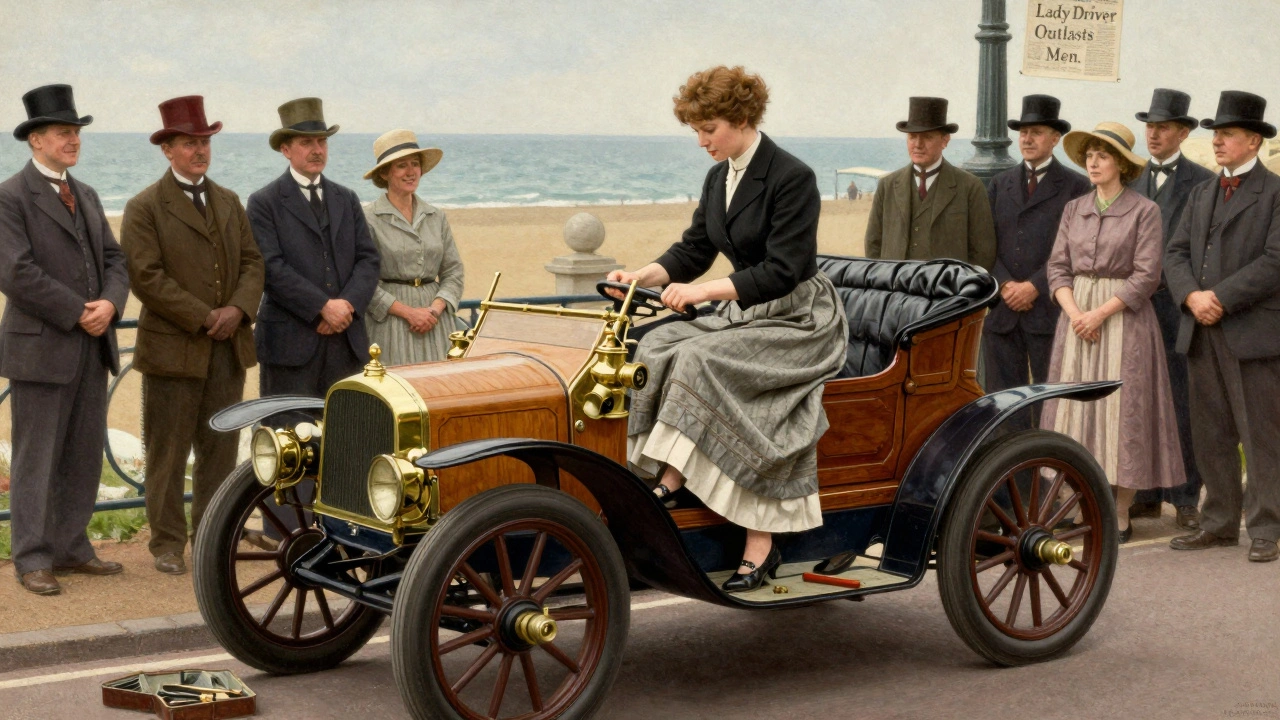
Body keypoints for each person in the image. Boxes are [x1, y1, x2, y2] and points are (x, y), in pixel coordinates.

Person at [606, 66, 848, 593]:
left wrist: (702, 292)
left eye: (708, 128)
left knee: (699, 359)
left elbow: (784, 269)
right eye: (695, 130)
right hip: (746, 311)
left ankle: (757, 539)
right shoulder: (721, 175)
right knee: (656, 342)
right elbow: (695, 247)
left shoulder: (792, 177)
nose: (700, 141)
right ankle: (665, 473)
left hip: (799, 319)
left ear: (740, 119)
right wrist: (644, 274)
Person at [120, 96, 264, 575]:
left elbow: (251, 262)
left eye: (203, 141)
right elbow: (146, 276)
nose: (199, 150)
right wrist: (205, 316)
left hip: (227, 348)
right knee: (167, 451)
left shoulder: (227, 200)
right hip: (173, 349)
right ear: (168, 150)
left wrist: (238, 309)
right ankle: (165, 544)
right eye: (188, 143)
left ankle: (211, 536)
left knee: (219, 451)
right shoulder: (143, 207)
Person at [0, 85, 129, 595]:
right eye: (62, 133)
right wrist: (79, 311)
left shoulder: (89, 194)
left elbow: (115, 261)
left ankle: (72, 547)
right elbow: (14, 272)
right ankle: (32, 557)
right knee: (36, 455)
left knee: (80, 451)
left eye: (76, 132)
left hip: (90, 344)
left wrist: (111, 305)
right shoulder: (10, 196)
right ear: (36, 140)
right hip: (41, 346)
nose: (73, 140)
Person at [1039, 122, 1185, 543]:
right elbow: (1057, 267)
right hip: (1076, 320)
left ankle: (1119, 512)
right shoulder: (1075, 208)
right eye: (1089, 155)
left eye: (1102, 155)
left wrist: (1099, 313)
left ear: (1121, 164)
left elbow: (1146, 276)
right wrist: (1074, 312)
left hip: (1123, 322)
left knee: (1123, 415)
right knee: (1074, 413)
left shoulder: (1144, 211)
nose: (1093, 162)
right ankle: (1076, 504)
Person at [1165, 91, 1280, 563]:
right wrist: (1192, 296)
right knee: (1210, 432)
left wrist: (1220, 298)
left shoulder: (1275, 193)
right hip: (1201, 329)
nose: (1218, 142)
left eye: (1228, 134)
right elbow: (1174, 254)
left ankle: (1267, 527)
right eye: (1216, 134)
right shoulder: (1201, 193)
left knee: (1261, 434)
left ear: (1253, 140)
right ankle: (1218, 524)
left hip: (1251, 332)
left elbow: (1276, 260)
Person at [247, 97, 380, 404]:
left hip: (347, 343)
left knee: (347, 436)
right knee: (291, 441)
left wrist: (346, 305)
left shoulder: (346, 198)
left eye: (322, 142)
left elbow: (368, 259)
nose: (317, 150)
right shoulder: (263, 202)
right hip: (290, 347)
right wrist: (322, 306)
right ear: (286, 149)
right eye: (306, 142)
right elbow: (271, 267)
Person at [1126, 89, 1216, 530]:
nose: (1154, 134)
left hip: (1179, 308)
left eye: (1164, 127)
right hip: (1137, 310)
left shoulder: (1203, 182)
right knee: (1139, 399)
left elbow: (1204, 248)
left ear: (1183, 132)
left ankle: (1184, 496)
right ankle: (1144, 493)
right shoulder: (1131, 180)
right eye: (1150, 126)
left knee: (1183, 402)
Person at [983, 95, 1091, 433]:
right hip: (1002, 313)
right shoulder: (1000, 184)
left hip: (1048, 310)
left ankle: (1045, 480)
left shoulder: (1076, 185)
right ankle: (1006, 485)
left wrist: (1034, 286)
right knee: (1002, 405)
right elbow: (985, 246)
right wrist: (1004, 284)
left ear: (1055, 138)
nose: (1027, 139)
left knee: (1051, 404)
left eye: (1037, 132)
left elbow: (1077, 249)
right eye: (1023, 132)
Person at [361, 129, 463, 364]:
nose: (410, 172)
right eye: (401, 166)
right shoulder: (368, 218)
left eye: (415, 164)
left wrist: (434, 310)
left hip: (436, 321)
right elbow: (362, 281)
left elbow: (453, 272)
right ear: (385, 173)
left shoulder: (436, 216)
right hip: (390, 321)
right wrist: (409, 313)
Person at [864, 96, 996, 270]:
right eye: (912, 137)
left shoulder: (970, 187)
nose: (918, 144)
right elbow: (873, 245)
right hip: (897, 290)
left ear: (945, 141)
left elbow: (983, 251)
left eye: (927, 137)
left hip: (948, 294)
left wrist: (960, 290)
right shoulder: (887, 185)